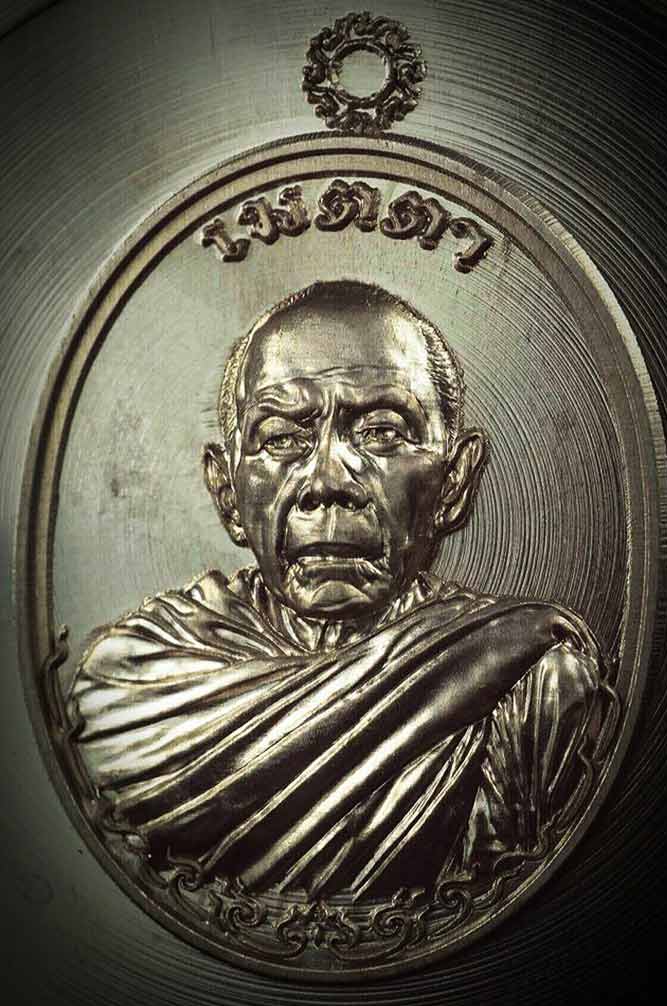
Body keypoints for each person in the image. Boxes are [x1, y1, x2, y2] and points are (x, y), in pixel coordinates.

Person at [68, 280, 607, 901]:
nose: (327, 481)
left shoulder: (531, 680)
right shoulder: (131, 686)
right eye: (281, 438)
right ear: (226, 491)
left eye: (382, 433)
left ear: (455, 480)